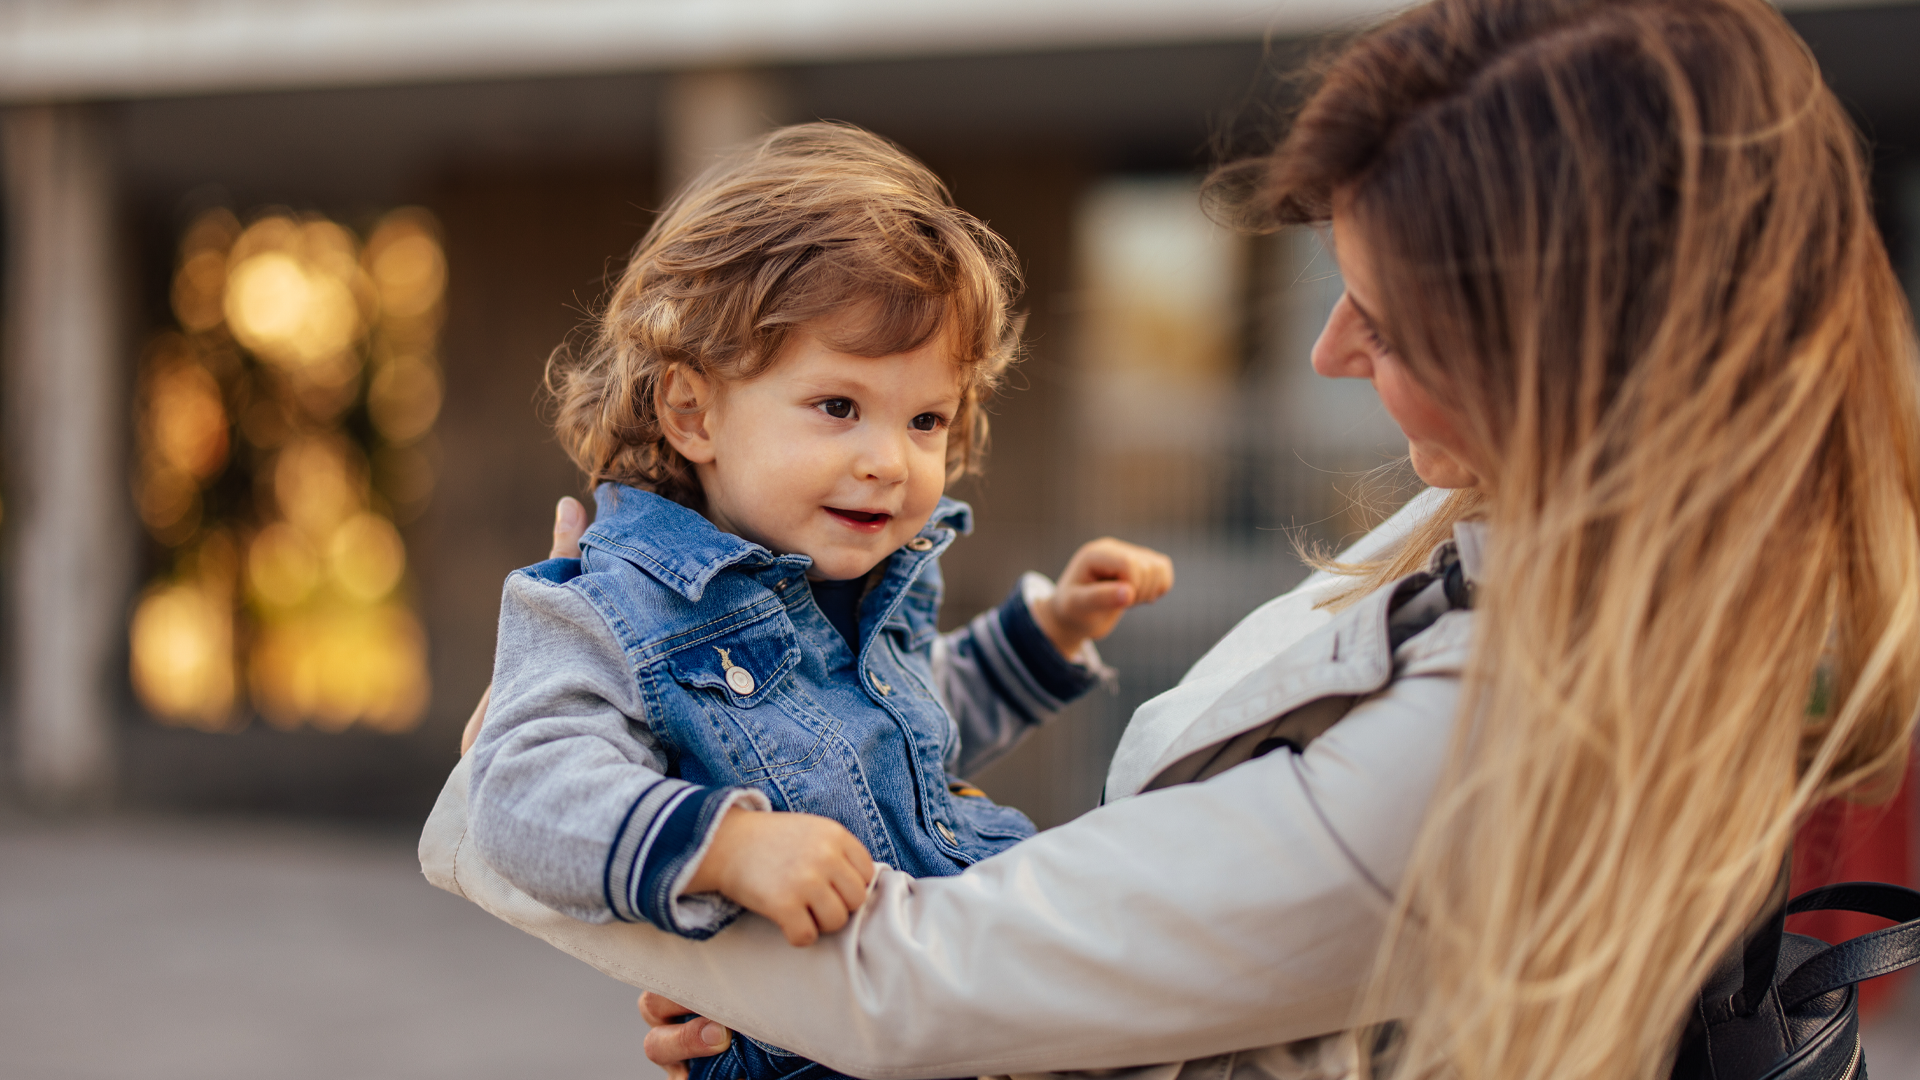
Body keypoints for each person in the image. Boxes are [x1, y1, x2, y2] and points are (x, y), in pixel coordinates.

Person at [424, 1, 1920, 1078]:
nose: (1329, 351)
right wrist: (704, 868)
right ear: (691, 411)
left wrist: (583, 841)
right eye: (836, 407)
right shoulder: (1539, 524)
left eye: (1390, 320)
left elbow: (926, 983)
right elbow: (882, 734)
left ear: (1559, 354)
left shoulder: (1516, 711)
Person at [461, 122, 1173, 1080]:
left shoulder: (864, 577)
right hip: (823, 1046)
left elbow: (897, 736)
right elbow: (519, 790)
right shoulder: (614, 603)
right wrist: (727, 849)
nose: (889, 460)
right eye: (839, 407)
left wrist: (1046, 633)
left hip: (975, 989)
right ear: (692, 411)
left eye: (925, 419)